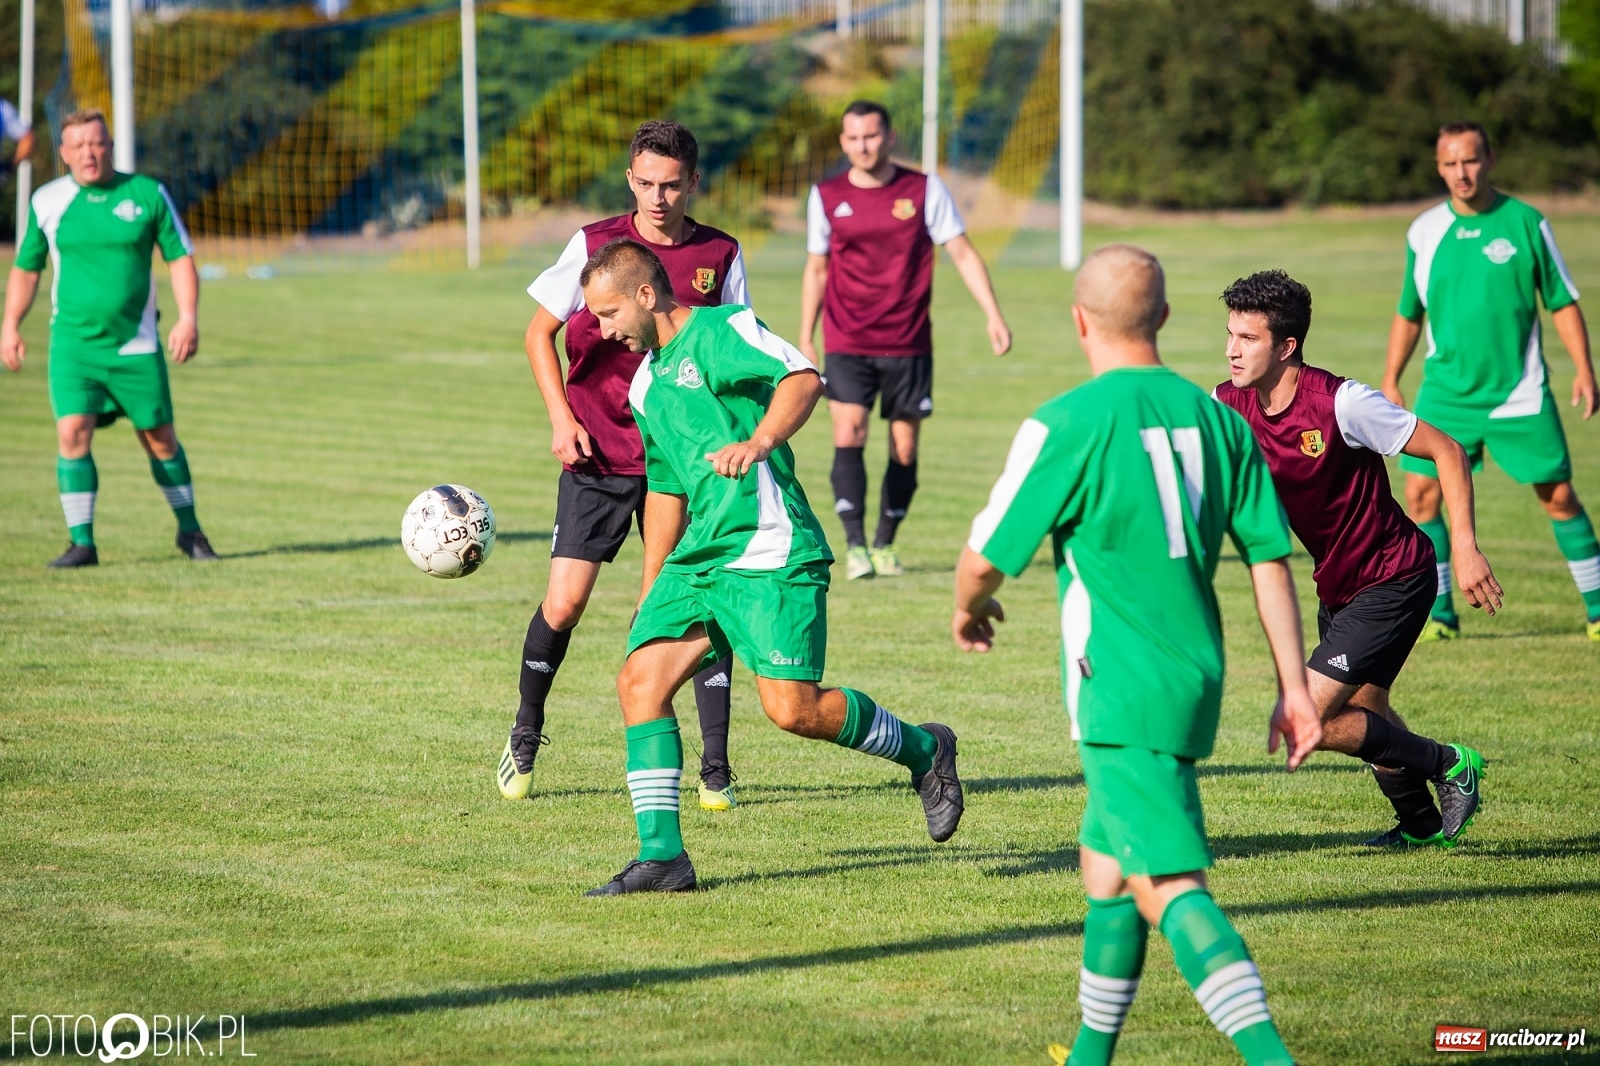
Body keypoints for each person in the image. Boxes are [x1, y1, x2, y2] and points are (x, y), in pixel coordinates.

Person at [953, 245, 1321, 1065]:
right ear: (1161, 320)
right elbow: (1269, 558)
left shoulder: (1067, 423)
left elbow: (983, 561)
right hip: (1195, 681)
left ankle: (1272, 1057)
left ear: (1080, 321)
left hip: (1116, 686)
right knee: (1106, 866)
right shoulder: (1221, 419)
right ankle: (1088, 1057)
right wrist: (1295, 688)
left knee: (1167, 886)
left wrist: (967, 611)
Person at [581, 238, 963, 896]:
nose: (603, 329)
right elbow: (666, 490)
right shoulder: (645, 384)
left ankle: (925, 750)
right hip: (700, 558)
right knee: (638, 684)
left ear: (646, 295)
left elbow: (803, 377)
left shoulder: (721, 329)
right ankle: (663, 857)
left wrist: (760, 440)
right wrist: (651, 587)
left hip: (768, 547)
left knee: (792, 710)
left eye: (609, 313)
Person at [503, 121, 746, 809]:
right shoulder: (593, 244)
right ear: (630, 179)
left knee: (679, 603)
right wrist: (560, 416)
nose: (658, 196)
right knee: (566, 601)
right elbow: (538, 332)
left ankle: (716, 767)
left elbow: (733, 350)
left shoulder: (719, 254)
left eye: (671, 184)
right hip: (597, 450)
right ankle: (526, 730)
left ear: (693, 182)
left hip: (681, 460)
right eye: (645, 182)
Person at [1215, 270, 1497, 847]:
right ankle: (1421, 827)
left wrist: (1464, 548)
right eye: (1230, 335)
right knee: (1370, 712)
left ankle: (1451, 764)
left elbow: (1447, 451)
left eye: (1247, 338)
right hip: (1338, 586)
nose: (1231, 350)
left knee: (1309, 719)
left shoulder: (1343, 403)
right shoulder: (1229, 402)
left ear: (1287, 346)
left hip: (1395, 575)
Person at [1383, 121, 1597, 641]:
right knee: (1420, 497)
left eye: (1471, 160)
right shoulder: (1424, 231)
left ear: (1490, 159)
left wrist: (1585, 368)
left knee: (1558, 495)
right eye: (1451, 163)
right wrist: (1391, 378)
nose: (1462, 172)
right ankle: (1440, 618)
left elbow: (1563, 301)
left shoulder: (1526, 222)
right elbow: (1409, 312)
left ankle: (1597, 612)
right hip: (1446, 392)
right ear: (1439, 167)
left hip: (1518, 392)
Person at [799, 99, 1011, 581]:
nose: (862, 146)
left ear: (889, 136)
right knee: (848, 431)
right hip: (848, 337)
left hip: (909, 340)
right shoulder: (827, 195)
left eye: (871, 136)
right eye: (852, 138)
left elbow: (962, 252)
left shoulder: (922, 190)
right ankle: (854, 546)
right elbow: (816, 269)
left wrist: (993, 315)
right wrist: (805, 337)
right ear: (842, 142)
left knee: (905, 446)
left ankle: (885, 545)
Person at [2, 108, 215, 567]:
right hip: (74, 346)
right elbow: (26, 268)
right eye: (77, 146)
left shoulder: (147, 194)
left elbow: (180, 258)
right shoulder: (48, 200)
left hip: (135, 346)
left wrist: (187, 318)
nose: (88, 153)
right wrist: (10, 325)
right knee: (72, 432)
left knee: (159, 438)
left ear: (110, 145)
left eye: (96, 143)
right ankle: (82, 543)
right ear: (63, 153)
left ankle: (190, 531)